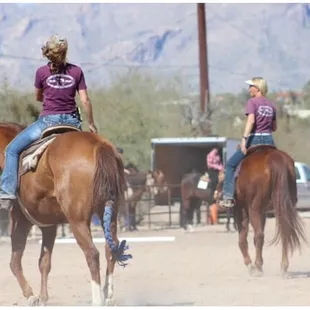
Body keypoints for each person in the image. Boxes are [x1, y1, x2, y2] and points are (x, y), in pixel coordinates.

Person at [0, 34, 97, 203]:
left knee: (12, 150)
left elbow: (38, 97)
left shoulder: (41, 72)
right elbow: (85, 100)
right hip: (72, 122)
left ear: (48, 52)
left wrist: (51, 96)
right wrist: (91, 124)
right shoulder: (77, 71)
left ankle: (7, 191)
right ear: (65, 51)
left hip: (47, 122)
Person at [219, 77, 277, 208]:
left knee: (230, 165)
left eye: (251, 86)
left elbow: (251, 121)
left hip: (254, 138)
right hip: (269, 139)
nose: (249, 88)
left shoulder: (252, 102)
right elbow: (274, 128)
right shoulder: (271, 105)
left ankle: (227, 197)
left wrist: (244, 139)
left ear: (257, 88)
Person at [206, 148, 224, 224]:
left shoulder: (217, 155)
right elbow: (210, 164)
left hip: (218, 170)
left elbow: (219, 163)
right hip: (212, 170)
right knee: (214, 180)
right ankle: (214, 191)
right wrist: (218, 167)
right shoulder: (210, 155)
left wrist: (222, 167)